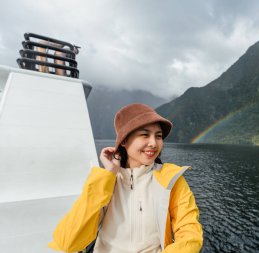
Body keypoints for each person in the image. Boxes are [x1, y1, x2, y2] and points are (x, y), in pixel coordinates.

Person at [48, 103, 203, 253]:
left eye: (158, 136)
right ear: (123, 140)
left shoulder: (171, 179)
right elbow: (68, 241)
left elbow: (190, 233)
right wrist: (108, 174)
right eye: (144, 135)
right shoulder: (106, 181)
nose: (153, 143)